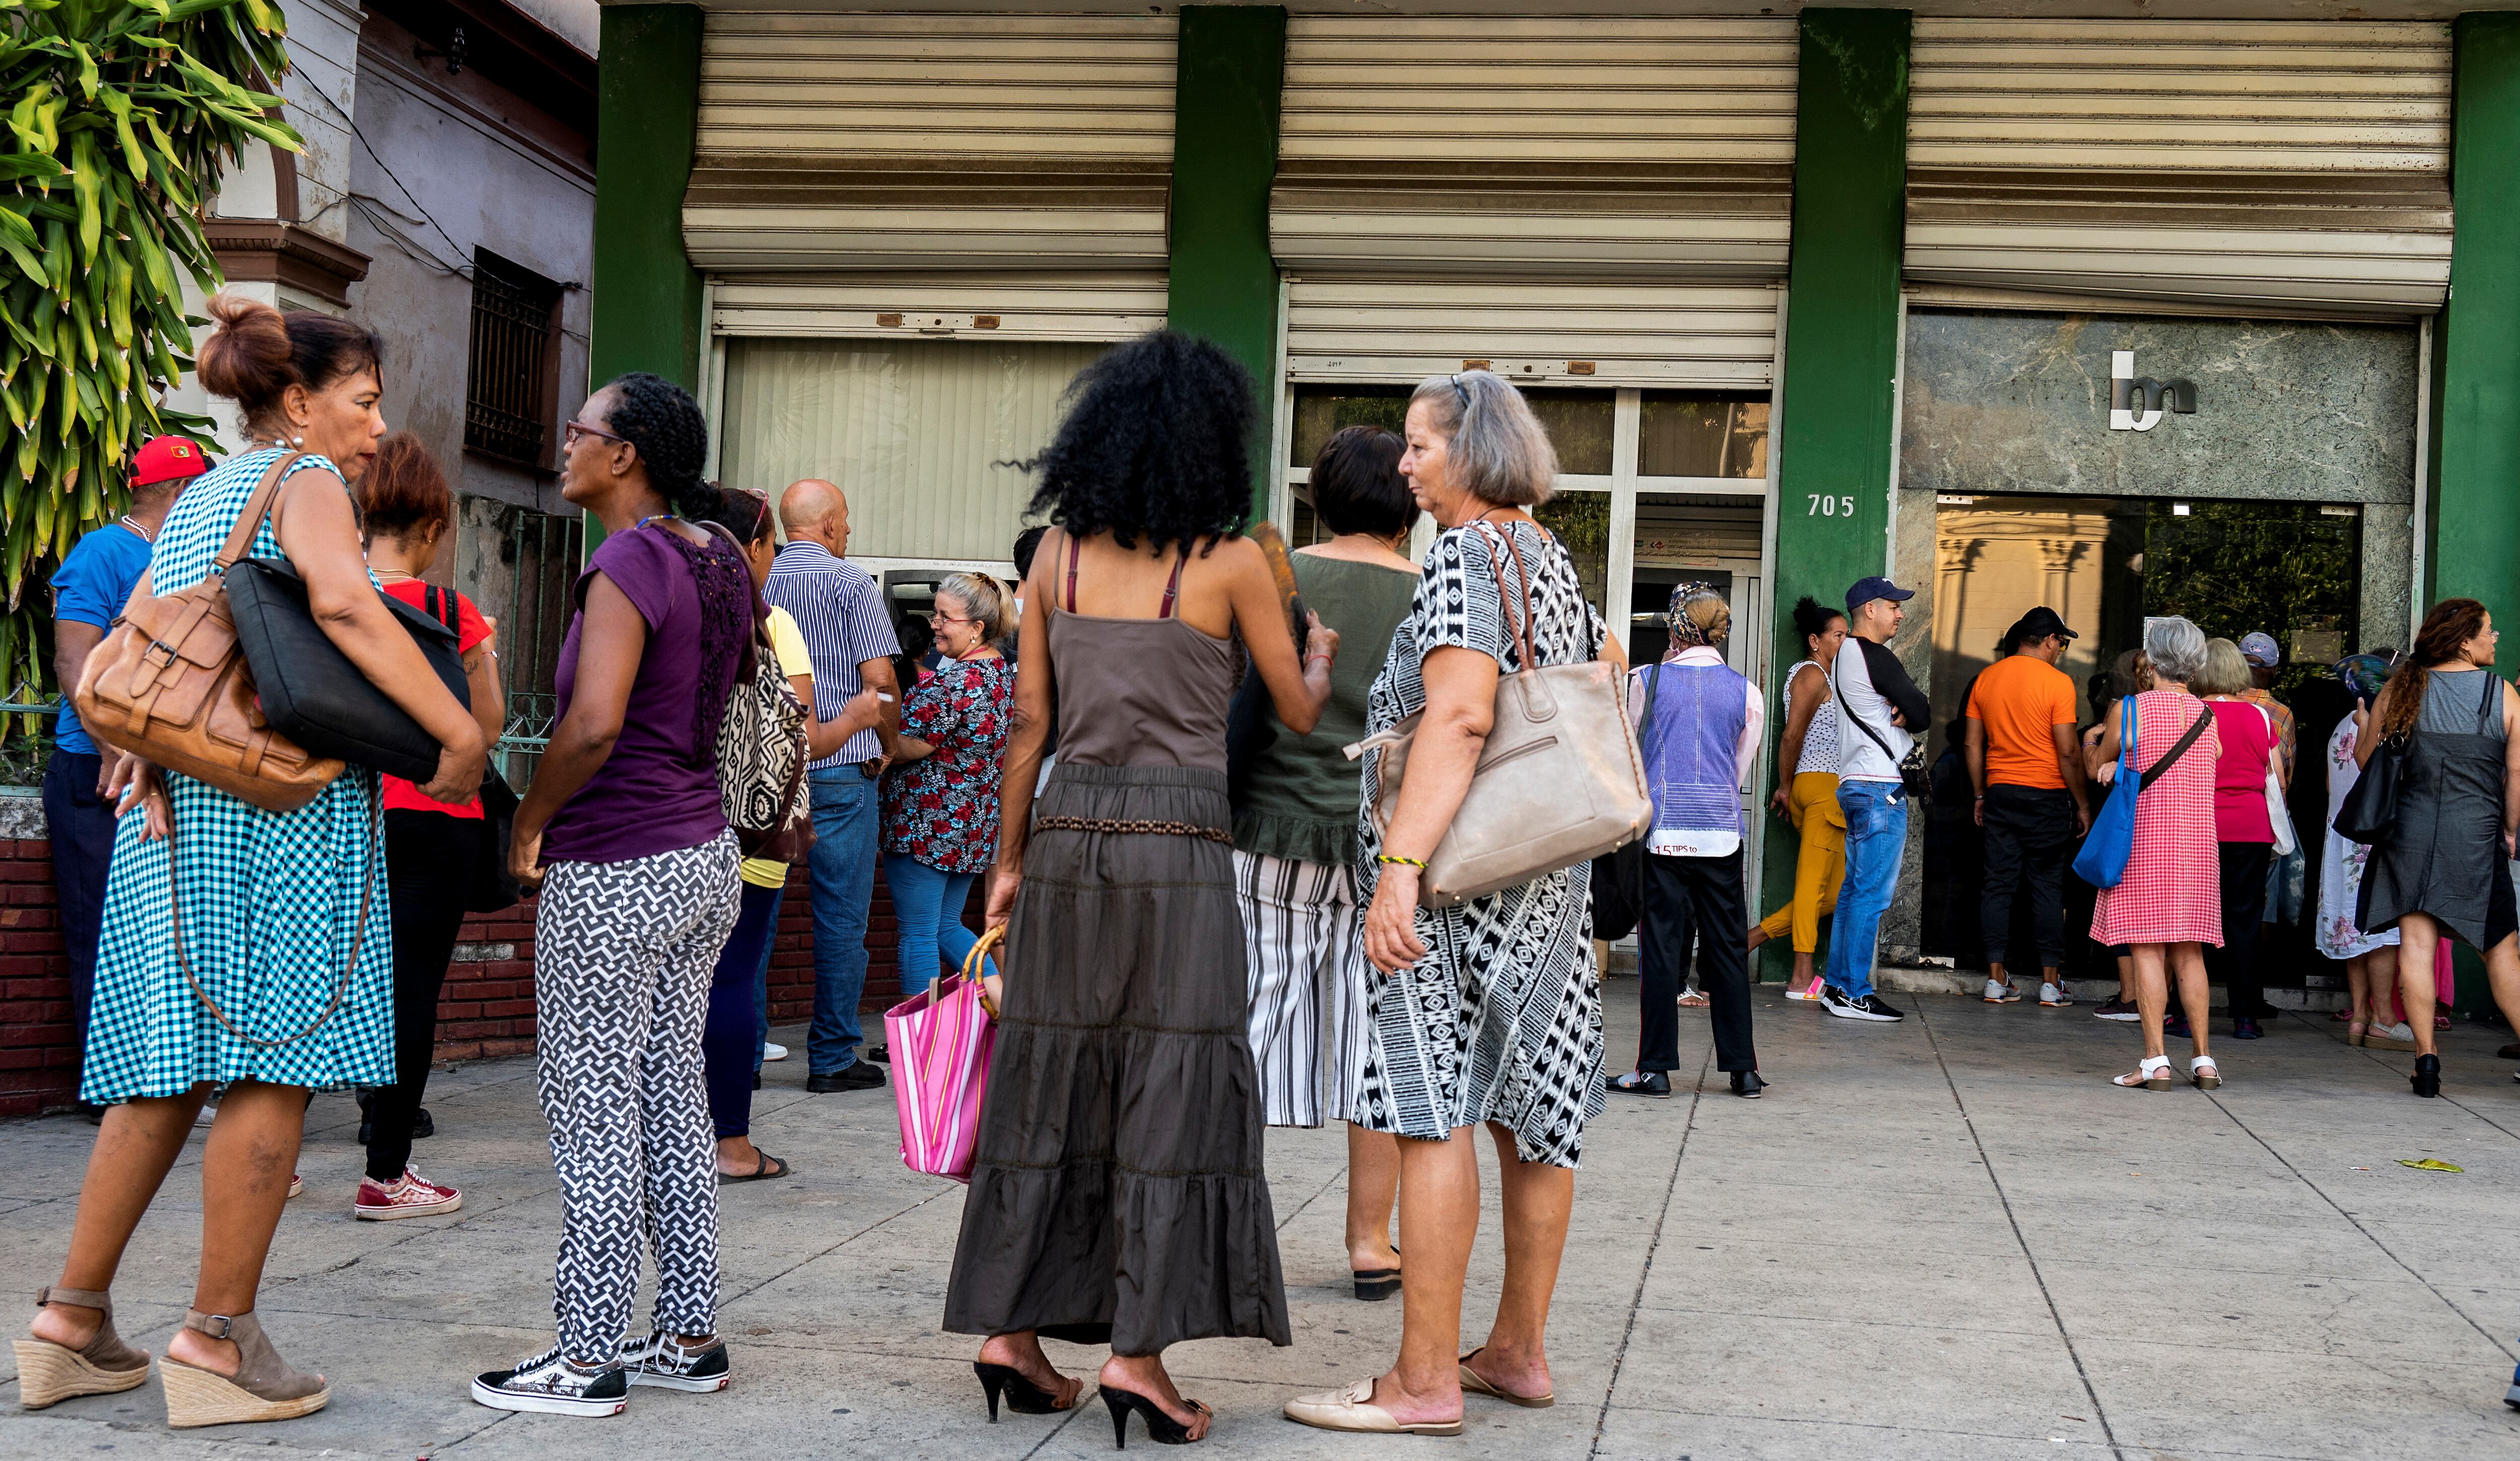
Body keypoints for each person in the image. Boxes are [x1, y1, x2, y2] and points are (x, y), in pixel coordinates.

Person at [23, 296, 484, 1427]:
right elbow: (342, 605)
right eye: (364, 403)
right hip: (277, 812)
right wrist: (457, 732)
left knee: (164, 1075)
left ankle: (71, 1322)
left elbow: (131, 649)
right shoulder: (305, 482)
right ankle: (218, 1341)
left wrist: (141, 752)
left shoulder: (199, 503)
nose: (377, 430)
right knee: (277, 1064)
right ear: (297, 400)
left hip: (184, 810)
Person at [946, 332, 1336, 1444]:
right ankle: (1136, 1359)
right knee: (1167, 1085)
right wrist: (1314, 662)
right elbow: (1296, 715)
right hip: (1180, 851)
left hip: (1067, 837)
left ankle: (1010, 1334)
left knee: (1051, 1077)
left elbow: (1029, 726)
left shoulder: (1054, 557)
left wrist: (1008, 863)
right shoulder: (1229, 564)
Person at [1285, 369, 1613, 1438]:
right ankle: (1515, 1350)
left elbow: (1462, 718)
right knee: (1535, 1120)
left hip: (1461, 881)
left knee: (1431, 1119)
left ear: (1469, 451)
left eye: (1421, 446)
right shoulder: (1545, 552)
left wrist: (1400, 869)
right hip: (1549, 875)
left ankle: (1422, 1380)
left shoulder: (1469, 555)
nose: (1404, 464)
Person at [474, 373, 750, 1414]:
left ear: (625, 454)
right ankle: (686, 1333)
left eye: (581, 430)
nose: (565, 444)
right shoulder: (716, 550)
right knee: (673, 1094)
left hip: (618, 863)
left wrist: (529, 820)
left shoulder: (626, 560)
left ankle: (584, 1355)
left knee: (593, 1109)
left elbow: (591, 726)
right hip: (700, 854)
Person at [1227, 425, 1420, 1299]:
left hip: (1265, 829)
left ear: (1320, 495)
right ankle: (1371, 1243)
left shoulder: (1275, 577)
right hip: (1388, 849)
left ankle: (1226, 1227)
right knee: (1376, 1040)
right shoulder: (1432, 590)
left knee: (1240, 1027)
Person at [699, 486, 882, 1181]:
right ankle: (742, 1132)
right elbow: (804, 735)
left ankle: (664, 1130)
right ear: (752, 544)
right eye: (767, 546)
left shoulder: (647, 604)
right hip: (758, 821)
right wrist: (865, 720)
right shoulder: (774, 619)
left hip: (671, 822)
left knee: (679, 983)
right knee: (751, 964)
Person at [352, 433, 507, 1219]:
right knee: (411, 991)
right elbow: (489, 724)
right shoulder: (454, 612)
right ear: (435, 528)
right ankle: (386, 1170)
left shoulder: (332, 603)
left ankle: (273, 1160)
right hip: (441, 816)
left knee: (323, 980)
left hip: (350, 819)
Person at [45, 435, 208, 1119]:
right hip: (97, 772)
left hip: (162, 774)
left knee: (155, 932)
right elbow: (72, 662)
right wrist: (117, 752)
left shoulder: (183, 555)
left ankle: (162, 1081)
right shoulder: (103, 553)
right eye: (198, 489)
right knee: (99, 929)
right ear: (177, 493)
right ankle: (108, 1093)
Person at [762, 478, 901, 1094]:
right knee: (841, 916)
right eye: (844, 519)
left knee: (755, 917)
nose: (849, 530)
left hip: (769, 771)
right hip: (843, 768)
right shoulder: (850, 583)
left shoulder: (757, 577)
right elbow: (880, 680)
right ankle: (833, 1055)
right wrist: (890, 743)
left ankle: (740, 1052)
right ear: (825, 525)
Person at [2350, 598, 2520, 1098]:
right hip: (2475, 838)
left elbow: (2366, 761)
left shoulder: (2404, 686)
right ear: (2464, 640)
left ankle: (2425, 1062)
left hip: (2409, 834)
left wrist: (2365, 730)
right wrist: (2510, 830)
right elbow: (2515, 775)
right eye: (2488, 631)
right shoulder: (2502, 695)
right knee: (2502, 954)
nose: (2495, 639)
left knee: (2417, 950)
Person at [1612, 585, 1765, 1100]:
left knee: (1660, 950)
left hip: (1662, 833)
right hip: (1720, 833)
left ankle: (1653, 1068)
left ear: (1675, 628)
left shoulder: (1644, 680)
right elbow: (1737, 767)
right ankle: (1742, 1069)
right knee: (1726, 950)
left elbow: (1627, 750)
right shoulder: (1746, 691)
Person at [2087, 616, 2223, 1092]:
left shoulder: (2130, 710)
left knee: (2147, 949)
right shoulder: (2209, 717)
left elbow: (2100, 761)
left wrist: (2097, 754)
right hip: (2197, 849)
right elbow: (2212, 760)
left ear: (2151, 659)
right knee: (2191, 954)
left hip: (2146, 842)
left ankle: (2155, 1061)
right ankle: (2205, 1060)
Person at [880, 571, 1015, 1012]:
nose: (934, 623)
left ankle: (922, 1034)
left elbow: (909, 745)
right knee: (945, 927)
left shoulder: (953, 683)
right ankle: (1006, 1009)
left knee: (919, 932)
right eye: (935, 613)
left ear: (977, 627)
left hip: (928, 826)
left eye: (945, 617)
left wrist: (861, 732)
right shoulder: (1001, 674)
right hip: (972, 826)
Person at [1966, 607, 2093, 1008]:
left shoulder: (1986, 678)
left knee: (1998, 885)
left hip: (2002, 792)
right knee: (2047, 887)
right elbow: (2069, 752)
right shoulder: (2059, 683)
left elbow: (1973, 744)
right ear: (2049, 639)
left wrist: (1980, 793)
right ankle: (2051, 985)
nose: (2062, 650)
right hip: (2048, 795)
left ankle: (1994, 979)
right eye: (2062, 642)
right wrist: (2083, 803)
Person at [1817, 576, 1928, 1023]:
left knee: (1853, 891)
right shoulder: (1872, 653)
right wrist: (1904, 709)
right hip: (1881, 787)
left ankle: (1837, 986)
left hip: (1856, 782)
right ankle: (1855, 992)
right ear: (1869, 610)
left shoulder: (1844, 655)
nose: (1900, 614)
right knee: (1871, 894)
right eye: (1893, 606)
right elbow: (1919, 711)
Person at [1748, 596, 1847, 1002]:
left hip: (1830, 789)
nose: (1845, 641)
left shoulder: (1829, 675)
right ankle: (1800, 976)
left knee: (1837, 892)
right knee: (1811, 885)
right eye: (1838, 635)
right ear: (1814, 640)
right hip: (1819, 784)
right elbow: (1792, 735)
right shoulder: (1811, 674)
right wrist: (1785, 786)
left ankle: (1751, 937)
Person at [2188, 638, 2286, 1041]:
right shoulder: (2260, 717)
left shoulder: (2193, 714)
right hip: (2252, 829)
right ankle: (2246, 1016)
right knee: (2244, 921)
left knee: (2192, 923)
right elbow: (2277, 778)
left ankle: (2182, 1013)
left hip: (2201, 828)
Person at [2317, 652, 2405, 1048]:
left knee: (2353, 931)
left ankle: (2359, 1015)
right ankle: (2385, 1017)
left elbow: (2328, 786)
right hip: (2373, 839)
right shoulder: (2385, 726)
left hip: (2342, 837)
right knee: (2382, 931)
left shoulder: (2340, 727)